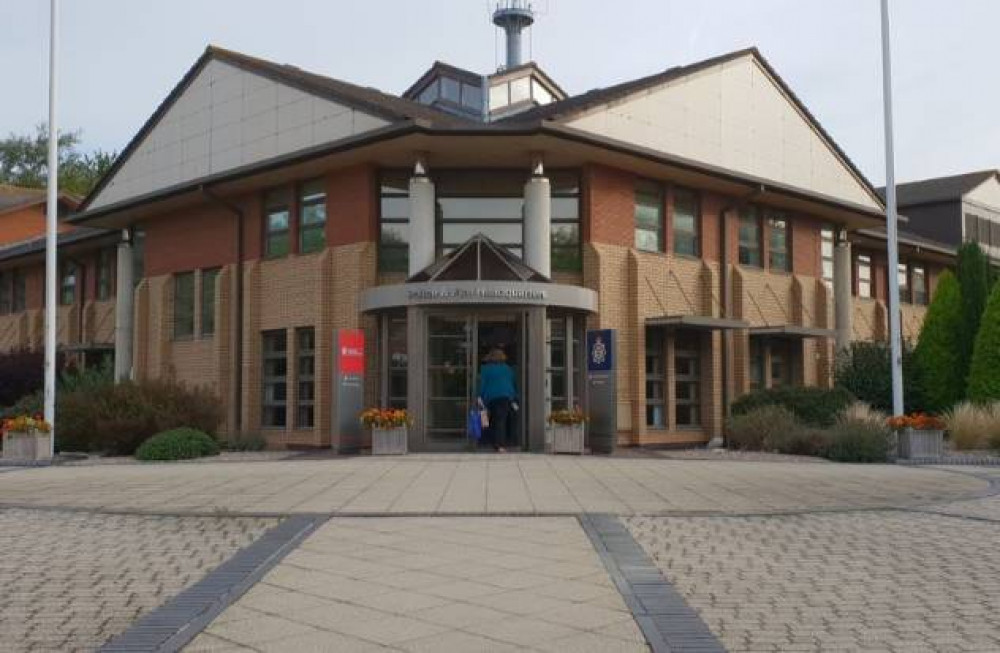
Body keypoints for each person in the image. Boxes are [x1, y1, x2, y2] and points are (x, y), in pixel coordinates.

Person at [478, 348, 517, 452]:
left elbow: (482, 384)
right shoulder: (508, 369)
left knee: (490, 420)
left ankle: (489, 441)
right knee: (501, 420)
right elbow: (512, 382)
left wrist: (480, 396)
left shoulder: (485, 369)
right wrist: (513, 396)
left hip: (490, 397)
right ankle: (500, 445)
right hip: (505, 396)